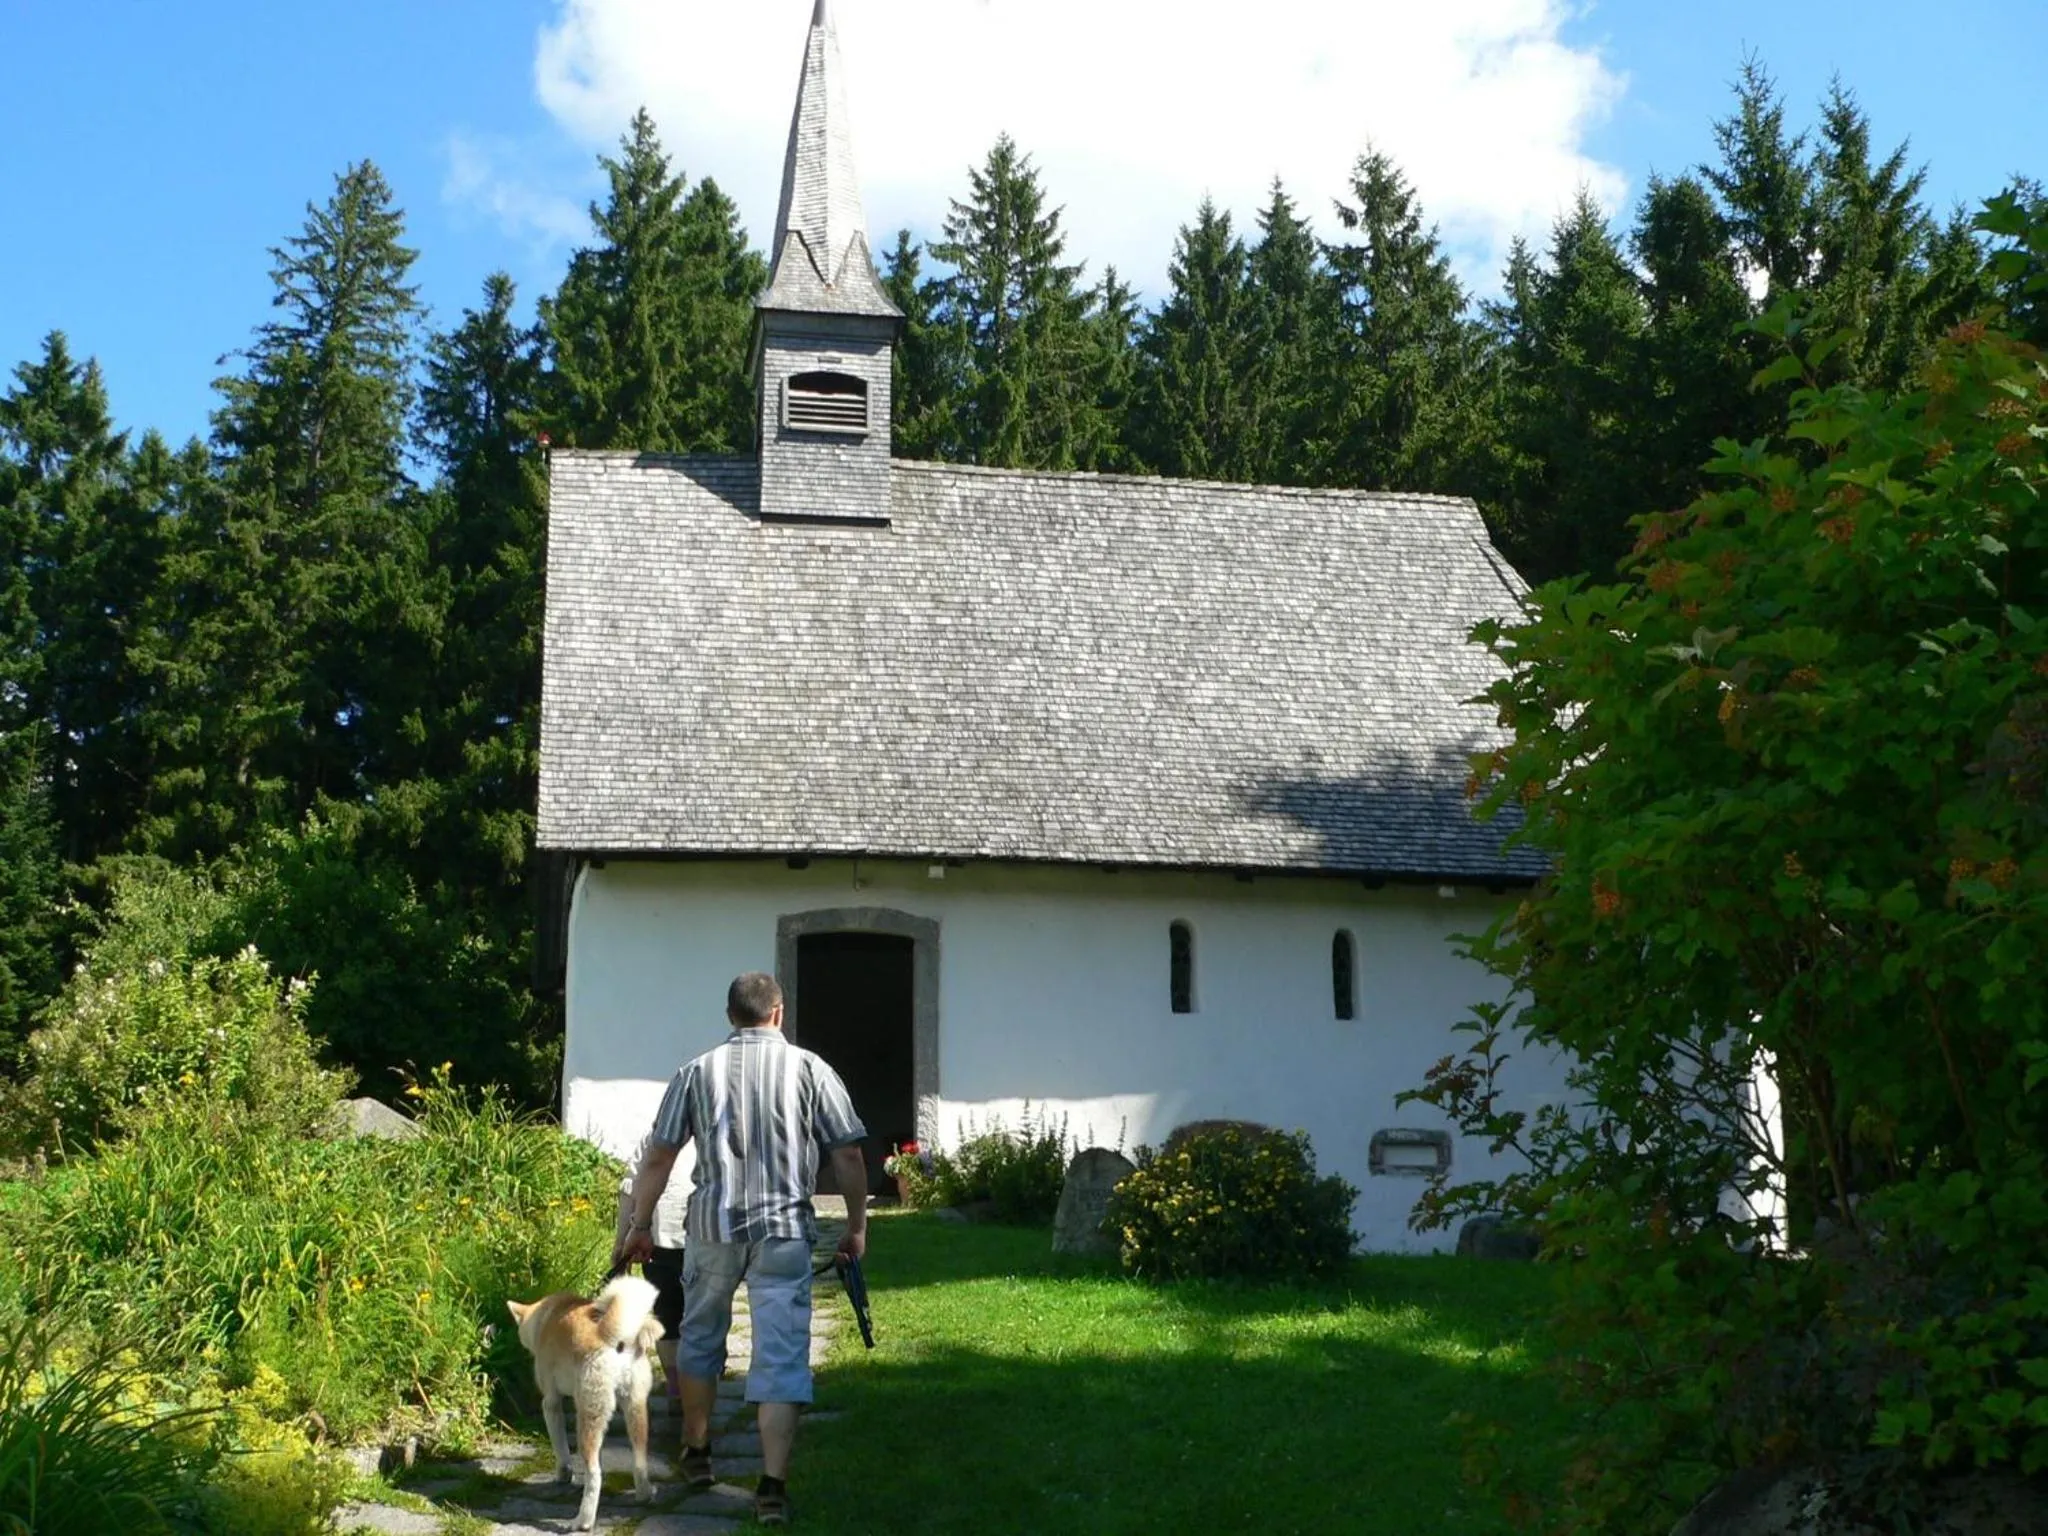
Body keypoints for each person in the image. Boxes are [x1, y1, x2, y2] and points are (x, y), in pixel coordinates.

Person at [614, 972, 869, 1528]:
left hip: (712, 1227)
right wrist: (855, 1226)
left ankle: (698, 1452)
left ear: (730, 1015)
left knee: (701, 1337)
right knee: (780, 1353)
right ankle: (773, 1487)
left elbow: (658, 1158)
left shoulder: (695, 1072)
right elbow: (847, 1155)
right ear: (778, 1013)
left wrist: (638, 1225)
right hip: (783, 1230)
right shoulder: (810, 1070)